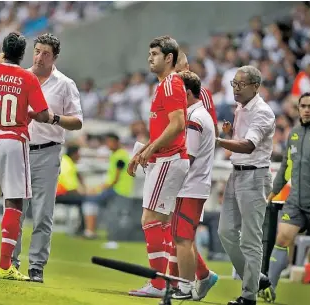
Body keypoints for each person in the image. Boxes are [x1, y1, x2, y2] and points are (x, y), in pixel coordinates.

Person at [0, 32, 50, 281]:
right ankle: (5, 266)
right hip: (13, 140)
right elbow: (44, 115)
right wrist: (24, 115)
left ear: (2, 51)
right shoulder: (28, 77)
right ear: (23, 54)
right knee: (15, 202)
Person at [12, 33, 83, 283]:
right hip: (19, 149)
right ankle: (10, 263)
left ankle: (36, 266)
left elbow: (77, 121)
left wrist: (52, 118)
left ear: (55, 57)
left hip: (47, 151)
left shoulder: (64, 84)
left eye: (46, 53)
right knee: (15, 211)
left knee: (43, 213)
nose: (40, 57)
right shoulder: (19, 77)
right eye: (37, 51)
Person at [127, 35, 189, 298]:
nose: (149, 58)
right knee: (161, 223)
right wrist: (143, 150)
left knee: (150, 219)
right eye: (149, 53)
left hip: (168, 159)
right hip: (166, 158)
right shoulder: (165, 85)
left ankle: (158, 284)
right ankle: (166, 282)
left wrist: (151, 149)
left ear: (169, 58)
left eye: (154, 54)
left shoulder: (171, 84)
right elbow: (165, 127)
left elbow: (177, 125)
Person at [216, 66, 275, 305]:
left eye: (241, 85)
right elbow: (241, 141)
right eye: (234, 84)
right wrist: (229, 135)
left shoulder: (262, 112)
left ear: (256, 87)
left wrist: (219, 140)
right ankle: (256, 278)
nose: (236, 89)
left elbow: (250, 146)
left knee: (250, 239)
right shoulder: (241, 107)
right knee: (225, 231)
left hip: (254, 177)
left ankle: (248, 296)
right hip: (236, 173)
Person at [260, 91, 310, 303]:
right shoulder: (294, 133)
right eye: (304, 106)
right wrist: (273, 191)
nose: (307, 109)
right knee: (282, 239)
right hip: (296, 203)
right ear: (298, 109)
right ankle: (269, 288)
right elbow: (285, 167)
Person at [170, 71, 218, 300]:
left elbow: (186, 157)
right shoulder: (200, 114)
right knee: (183, 237)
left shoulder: (194, 119)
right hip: (194, 186)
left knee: (182, 238)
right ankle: (200, 277)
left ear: (187, 93)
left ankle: (186, 287)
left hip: (189, 186)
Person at [81, 132, 134, 239]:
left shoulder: (120, 156)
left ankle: (90, 232)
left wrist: (97, 189)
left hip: (118, 190)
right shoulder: (118, 154)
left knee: (90, 200)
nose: (108, 145)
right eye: (107, 142)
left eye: (110, 142)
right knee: (92, 199)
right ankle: (90, 230)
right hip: (119, 189)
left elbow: (115, 180)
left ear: (117, 142)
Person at [174, 52, 219, 136]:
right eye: (173, 73)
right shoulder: (168, 95)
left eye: (179, 71)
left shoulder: (201, 92)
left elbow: (213, 130)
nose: (177, 76)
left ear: (187, 68)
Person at [55, 144, 86, 234]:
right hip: (59, 194)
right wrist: (84, 193)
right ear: (74, 154)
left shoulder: (66, 161)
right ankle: (83, 229)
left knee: (83, 199)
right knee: (85, 201)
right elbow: (71, 188)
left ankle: (82, 228)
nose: (79, 156)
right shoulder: (67, 165)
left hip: (57, 193)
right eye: (79, 153)